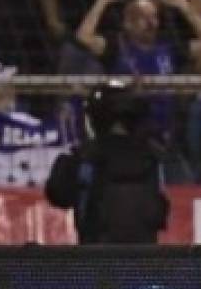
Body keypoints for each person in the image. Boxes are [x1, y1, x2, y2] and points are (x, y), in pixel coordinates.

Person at [44, 80, 169, 244]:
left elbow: (57, 195)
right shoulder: (153, 156)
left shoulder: (84, 156)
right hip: (145, 261)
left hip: (96, 260)